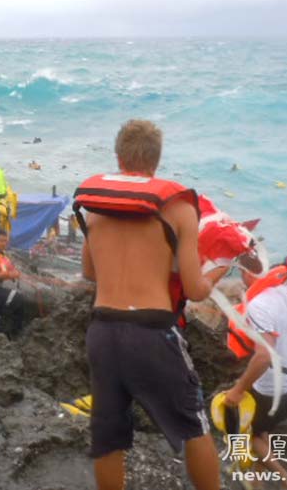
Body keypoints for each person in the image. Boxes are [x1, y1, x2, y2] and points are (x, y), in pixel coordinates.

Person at [78, 119, 224, 490]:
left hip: (102, 331)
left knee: (108, 435)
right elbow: (194, 289)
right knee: (194, 425)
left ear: (118, 156)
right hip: (151, 333)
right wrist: (217, 273)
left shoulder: (96, 206)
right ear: (156, 162)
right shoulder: (177, 209)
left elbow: (89, 272)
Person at [223, 268, 287, 490]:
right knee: (264, 428)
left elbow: (264, 356)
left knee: (246, 431)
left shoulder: (258, 305)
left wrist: (238, 390)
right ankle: (257, 483)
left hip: (275, 389)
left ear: (247, 275)